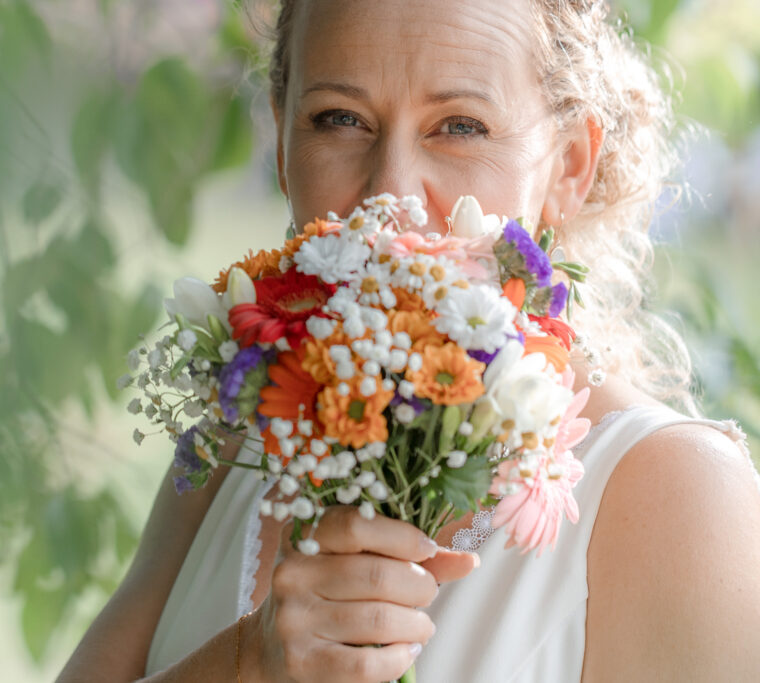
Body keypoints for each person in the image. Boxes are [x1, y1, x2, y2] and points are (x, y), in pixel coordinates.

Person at [58, 0, 760, 680]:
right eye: (339, 119)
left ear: (569, 165)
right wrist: (248, 664)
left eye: (459, 125)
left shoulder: (681, 500)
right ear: (280, 144)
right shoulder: (238, 428)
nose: (387, 191)